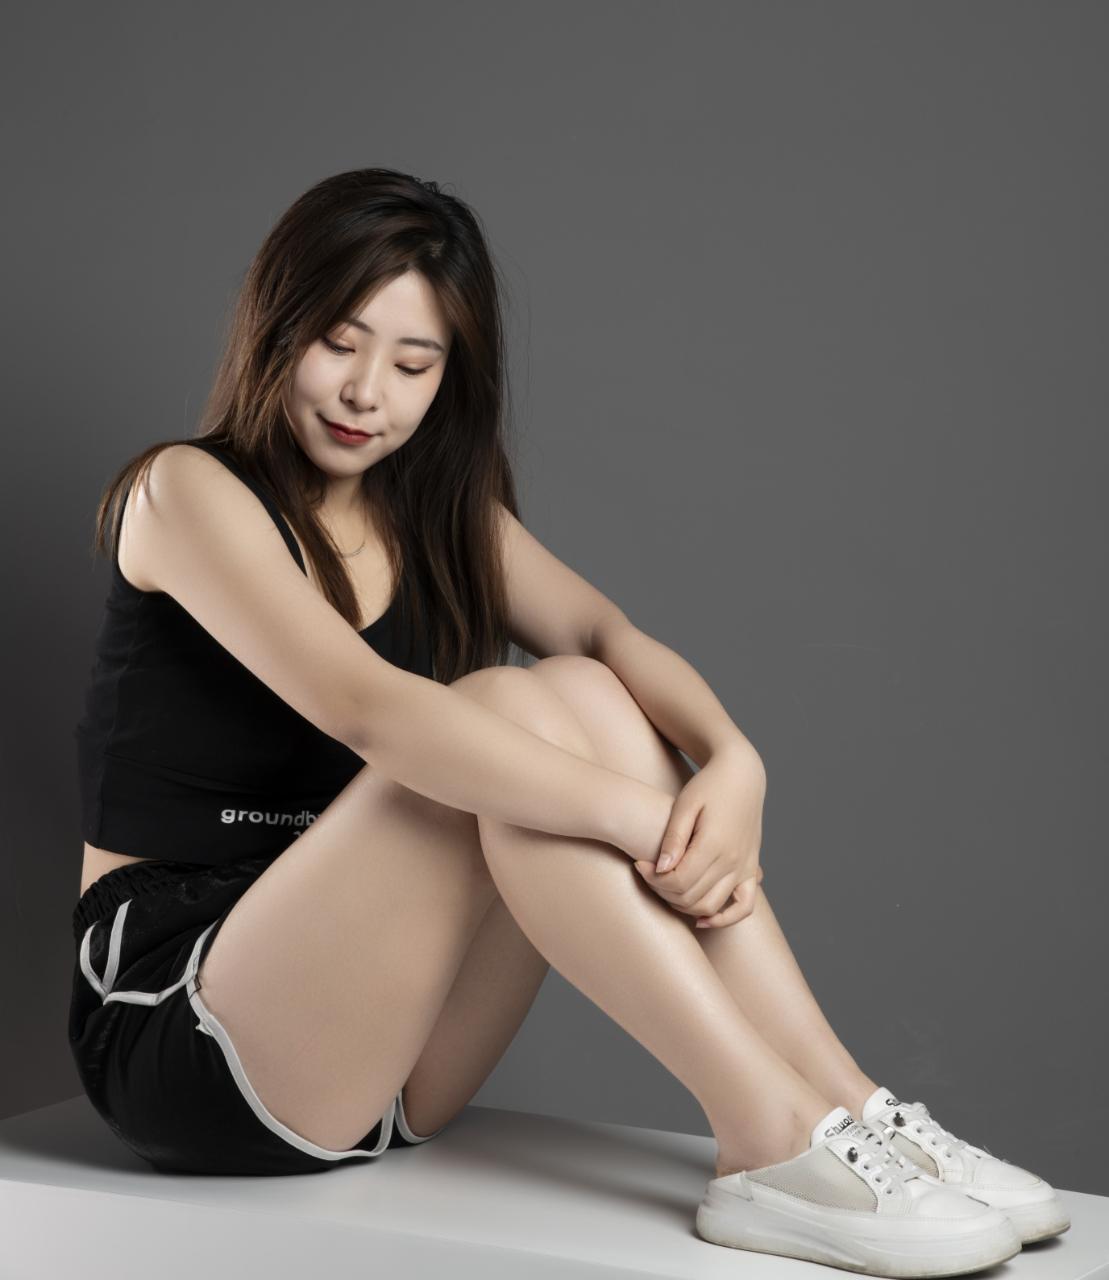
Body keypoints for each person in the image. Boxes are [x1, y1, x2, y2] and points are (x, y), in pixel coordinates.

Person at [69, 167, 1067, 1272]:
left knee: (581, 689)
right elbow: (372, 713)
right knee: (495, 713)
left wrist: (733, 762)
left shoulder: (433, 516)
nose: (365, 392)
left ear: (449, 377)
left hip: (385, 1058)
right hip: (186, 1026)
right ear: (276, 327)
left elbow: (602, 633)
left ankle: (847, 1104)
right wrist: (649, 820)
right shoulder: (183, 491)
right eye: (337, 344)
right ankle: (765, 1133)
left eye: (412, 364)